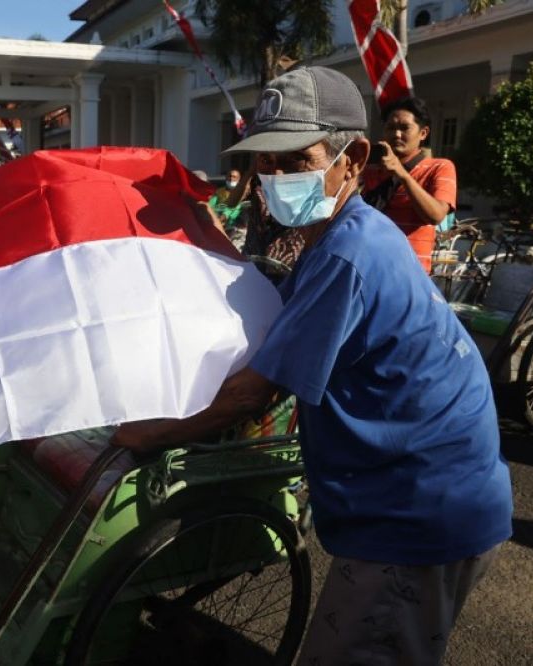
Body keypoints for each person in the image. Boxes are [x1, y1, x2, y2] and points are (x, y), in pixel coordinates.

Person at [112, 66, 512, 665]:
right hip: (432, 485)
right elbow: (281, 320)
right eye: (265, 165)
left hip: (421, 504)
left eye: (294, 160)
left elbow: (256, 393)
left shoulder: (348, 251)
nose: (274, 179)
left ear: (351, 158)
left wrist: (149, 434)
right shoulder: (340, 233)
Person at [362, 96, 457, 272]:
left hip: (410, 275)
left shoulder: (440, 167)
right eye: (390, 128)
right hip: (369, 268)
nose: (396, 134)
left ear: (423, 133)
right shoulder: (370, 171)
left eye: (404, 128)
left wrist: (402, 175)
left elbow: (436, 215)